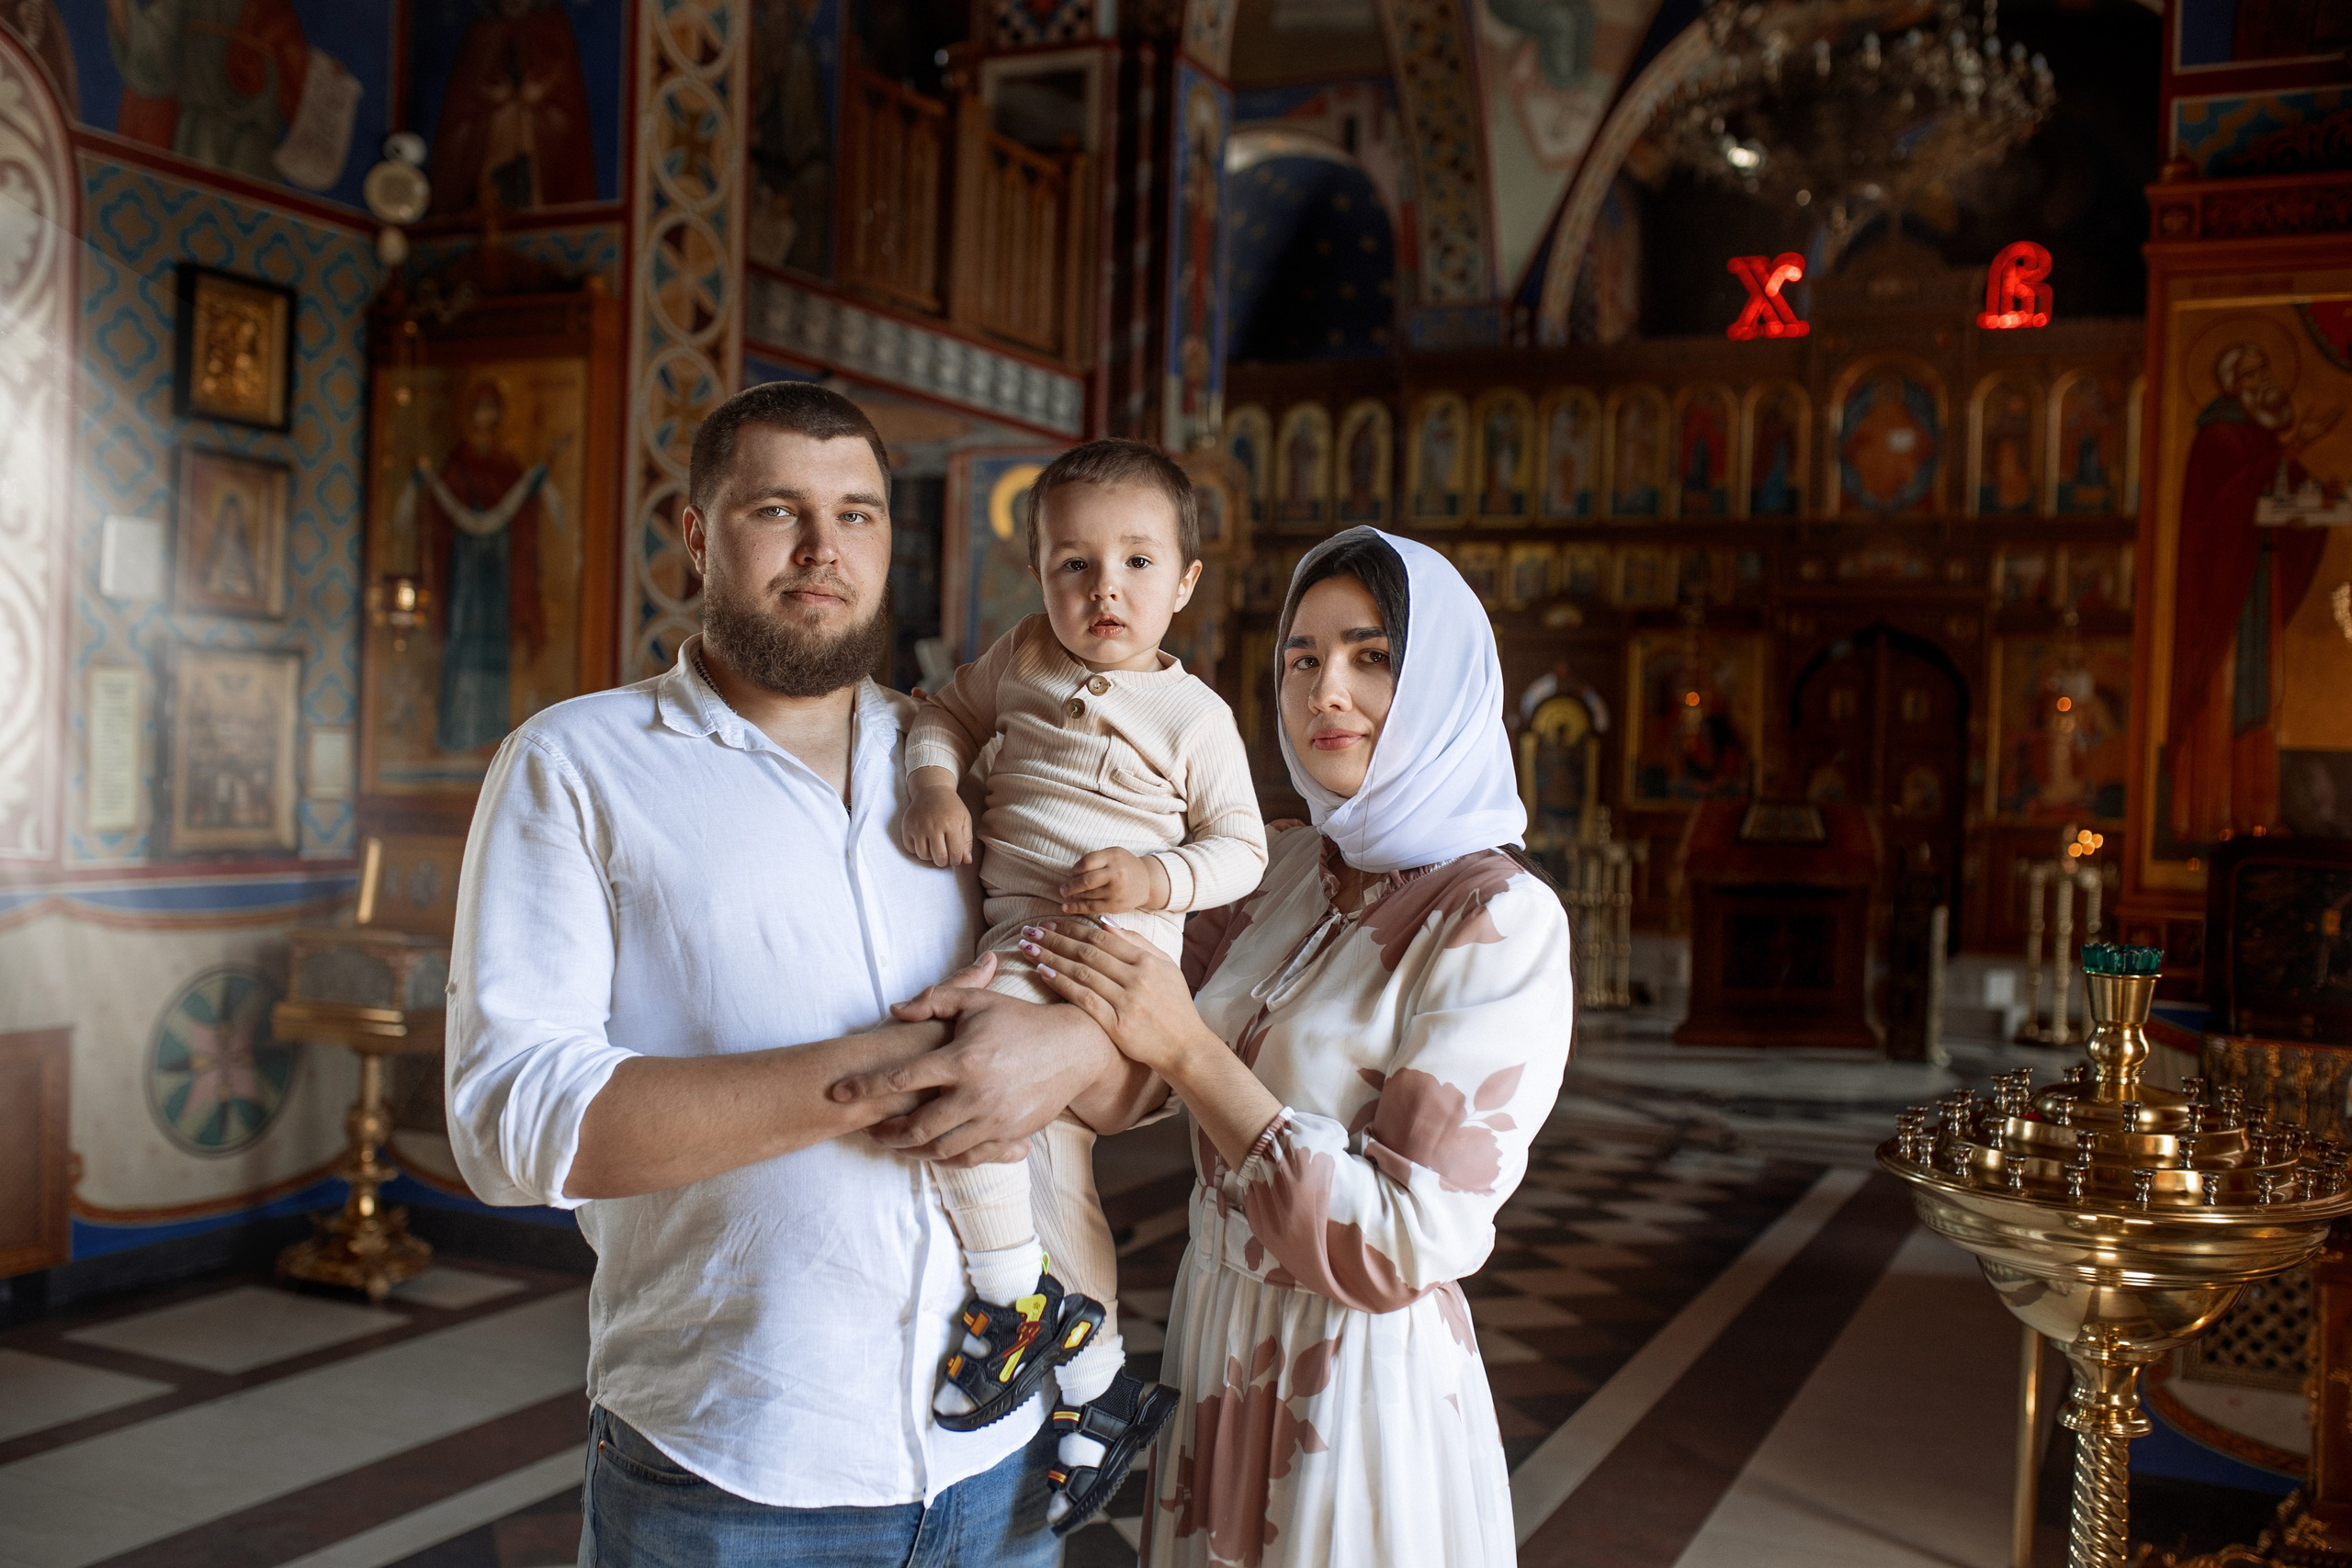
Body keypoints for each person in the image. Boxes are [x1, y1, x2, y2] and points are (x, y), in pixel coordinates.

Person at [446, 382, 1159, 1567]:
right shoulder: (576, 766)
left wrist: (1068, 1046)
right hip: (733, 1468)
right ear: (695, 534)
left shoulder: (977, 762)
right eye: (779, 510)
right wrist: (892, 1069)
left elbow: (1133, 1033)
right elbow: (512, 1124)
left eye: (860, 515)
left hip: (1000, 1468)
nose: (825, 551)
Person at [848, 526, 1576, 1565]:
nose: (1326, 690)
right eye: (1300, 658)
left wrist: (1190, 1054)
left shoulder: (1497, 921)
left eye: (1371, 657)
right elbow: (1124, 1072)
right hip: (1214, 1334)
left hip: (1356, 1382)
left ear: (1444, 682)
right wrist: (1007, 1001)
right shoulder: (1276, 870)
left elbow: (1405, 1242)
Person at [899, 439, 1266, 1532]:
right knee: (1056, 1172)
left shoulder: (1194, 718)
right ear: (1039, 574)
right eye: (1073, 565)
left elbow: (1241, 847)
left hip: (1104, 950)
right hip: (1023, 932)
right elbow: (941, 718)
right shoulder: (1017, 659)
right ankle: (1100, 1385)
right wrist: (934, 783)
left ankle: (1014, 1303)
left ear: (1185, 583)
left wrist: (1160, 871)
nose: (1105, 588)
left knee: (956, 1081)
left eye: (1138, 563)